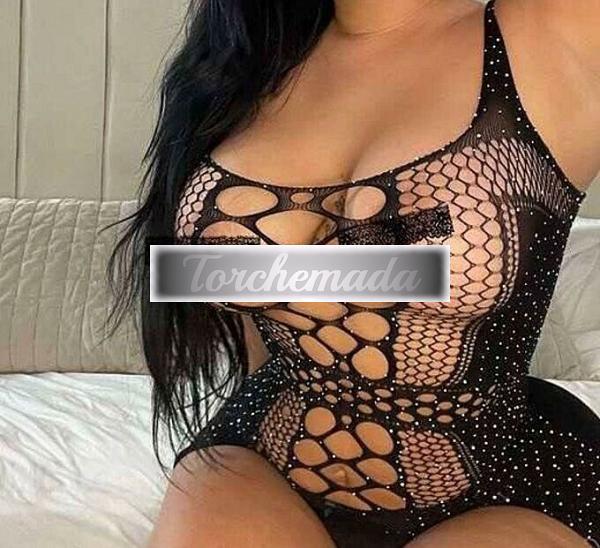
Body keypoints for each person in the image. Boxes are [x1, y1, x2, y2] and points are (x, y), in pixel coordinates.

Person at [107, 0, 600, 546]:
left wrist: (295, 267)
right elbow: (184, 276)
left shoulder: (550, 30)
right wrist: (395, 262)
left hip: (499, 478)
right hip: (268, 451)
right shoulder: (248, 58)